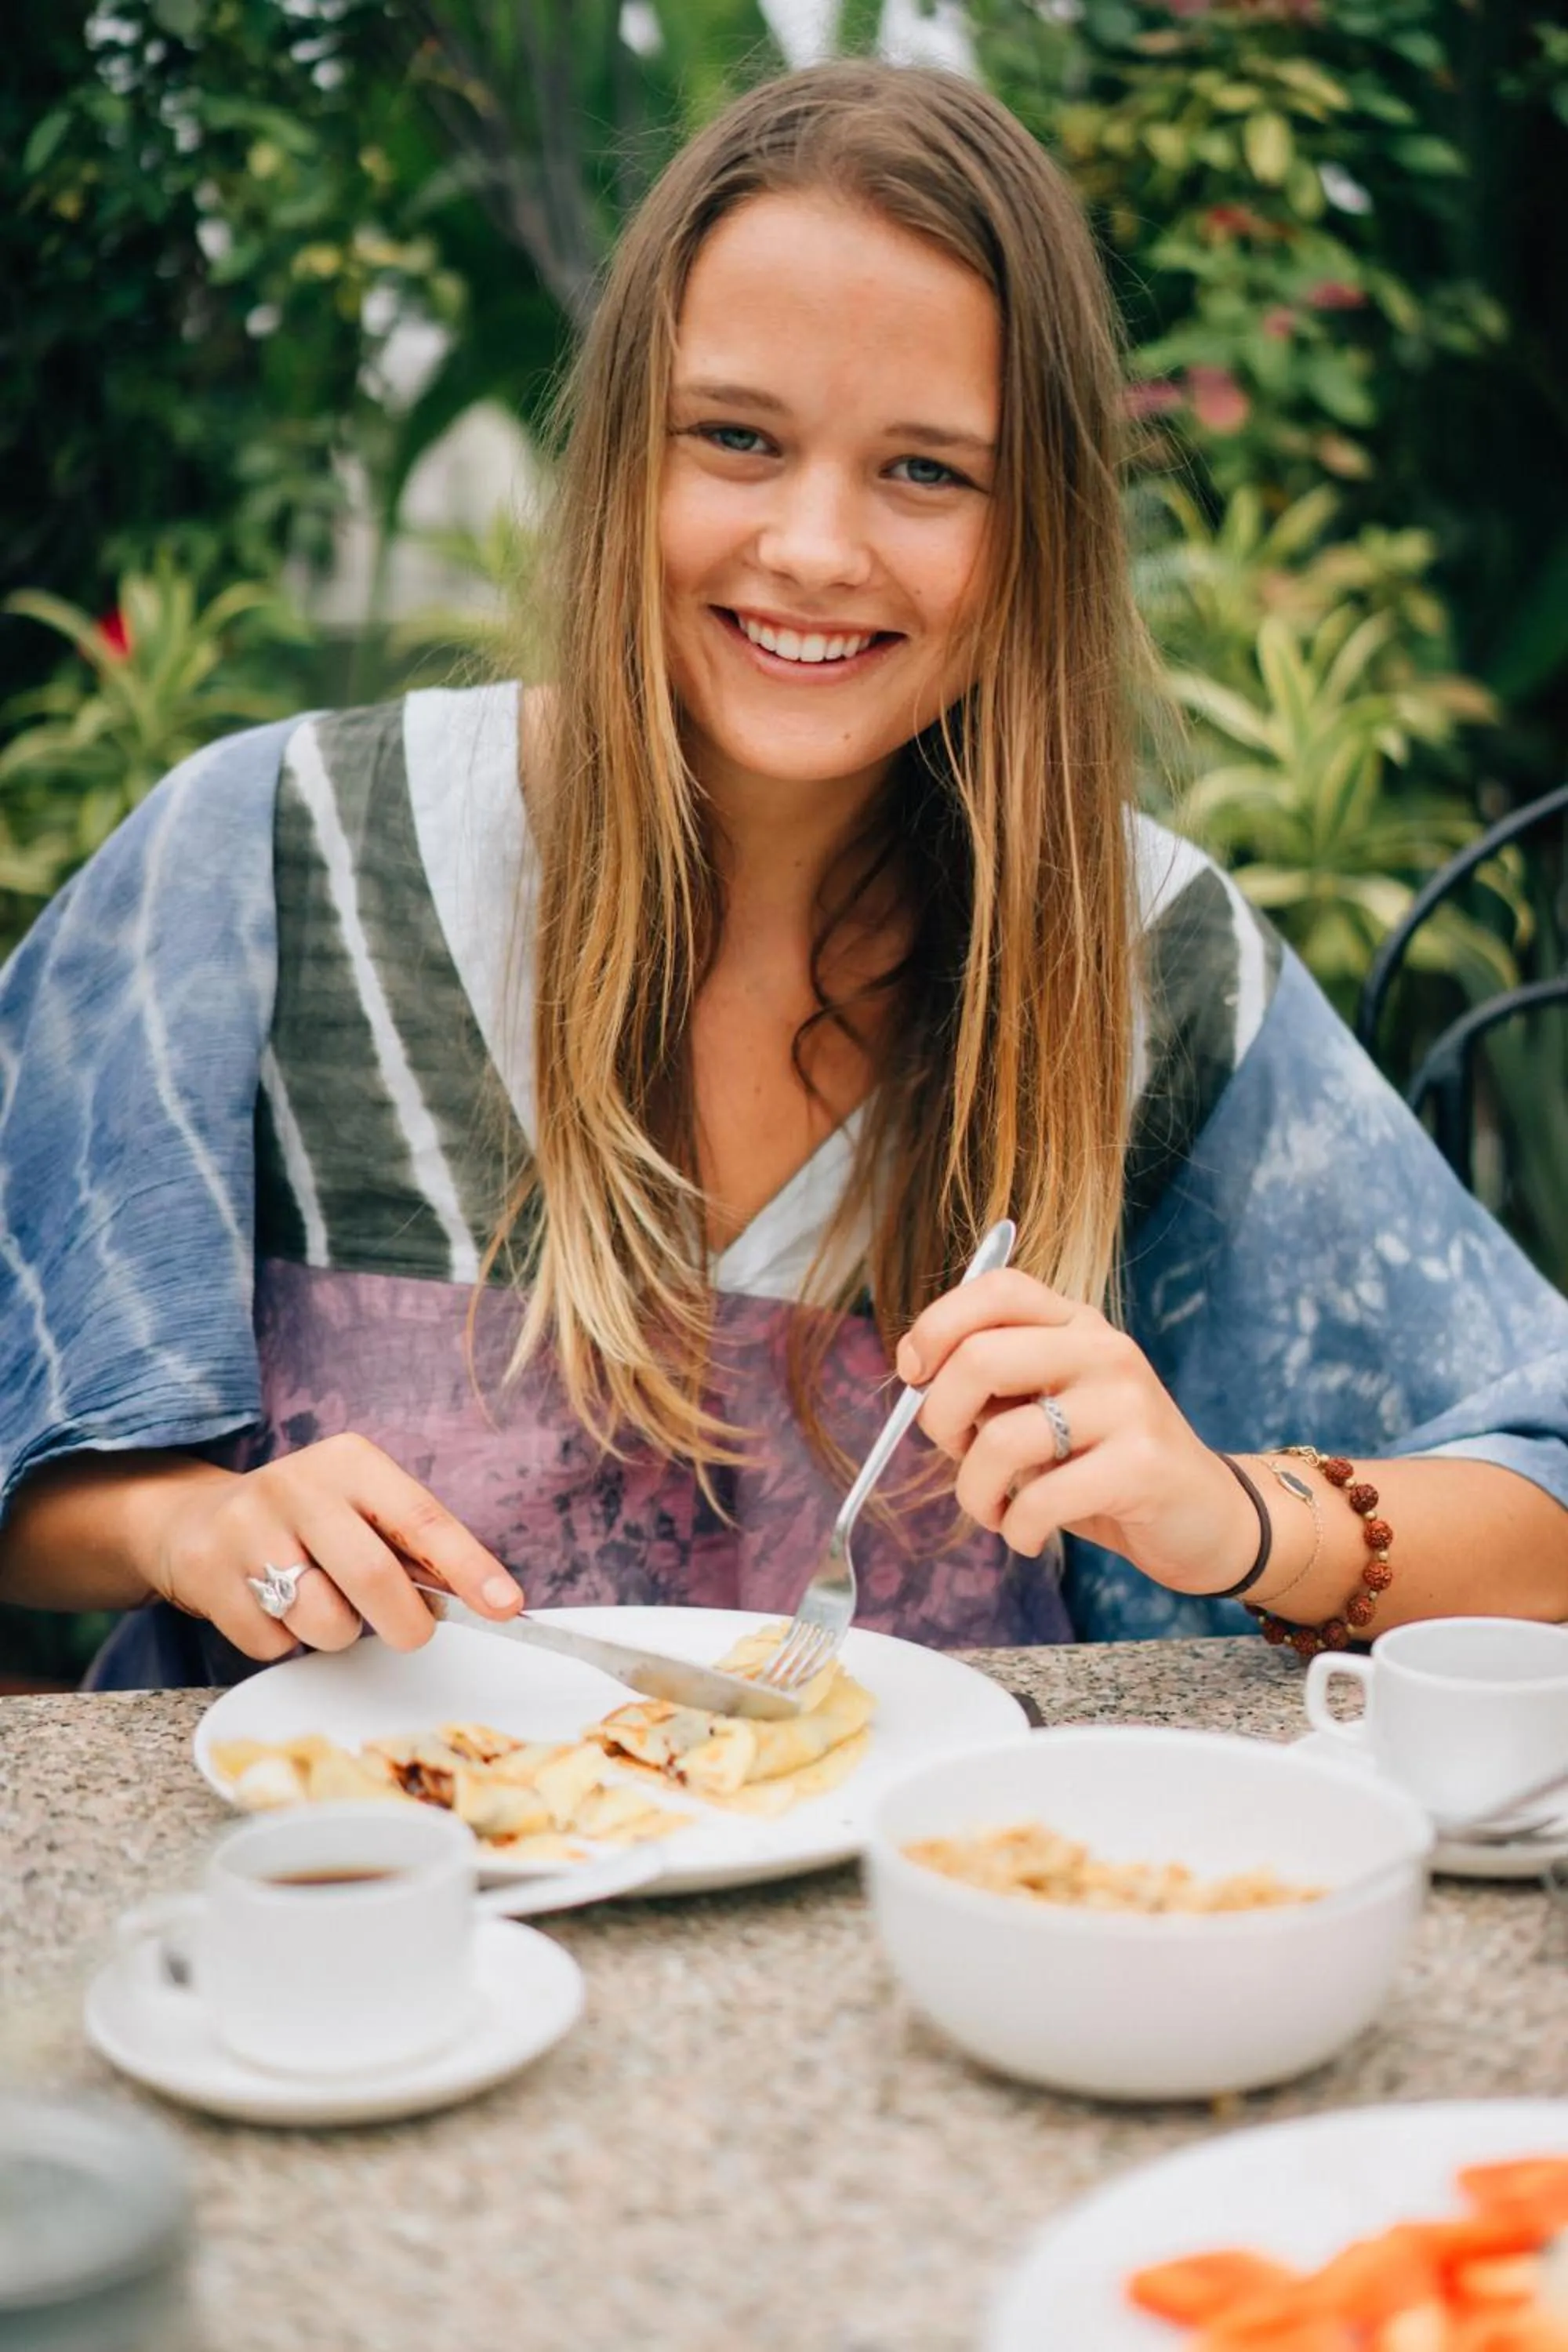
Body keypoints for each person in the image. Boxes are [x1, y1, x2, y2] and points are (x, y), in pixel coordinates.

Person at [1, 62, 1565, 1693]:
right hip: (354, 1914)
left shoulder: (1140, 968)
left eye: (926, 471)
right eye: (736, 438)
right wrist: (189, 1526)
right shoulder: (268, 857)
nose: (815, 548)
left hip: (929, 1932)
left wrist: (1239, 1519)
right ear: (620, 453)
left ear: (1034, 525)